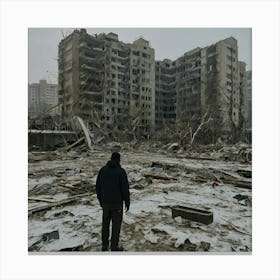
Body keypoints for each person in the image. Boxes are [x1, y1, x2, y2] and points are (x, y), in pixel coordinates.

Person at [96, 152, 130, 251]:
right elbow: (125, 189)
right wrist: (127, 202)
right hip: (117, 204)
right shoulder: (121, 172)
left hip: (105, 203)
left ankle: (104, 245)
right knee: (116, 226)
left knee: (105, 225)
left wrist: (101, 200)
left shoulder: (103, 170)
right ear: (118, 160)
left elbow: (98, 187)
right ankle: (114, 247)